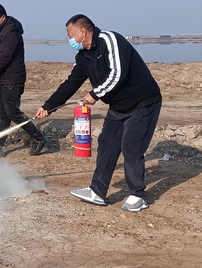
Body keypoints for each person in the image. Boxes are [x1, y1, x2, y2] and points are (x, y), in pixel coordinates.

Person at [35, 14, 162, 212]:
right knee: (107, 144)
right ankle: (98, 191)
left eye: (70, 35)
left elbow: (118, 74)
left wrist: (95, 94)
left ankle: (138, 195)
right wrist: (49, 106)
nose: (69, 39)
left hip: (142, 102)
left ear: (82, 31)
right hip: (118, 106)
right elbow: (70, 83)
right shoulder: (83, 56)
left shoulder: (110, 40)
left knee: (131, 147)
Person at [0, 3, 46, 157]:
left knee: (13, 112)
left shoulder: (11, 34)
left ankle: (38, 138)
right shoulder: (0, 32)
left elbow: (2, 60)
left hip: (12, 79)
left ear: (3, 17)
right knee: (3, 114)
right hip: (3, 79)